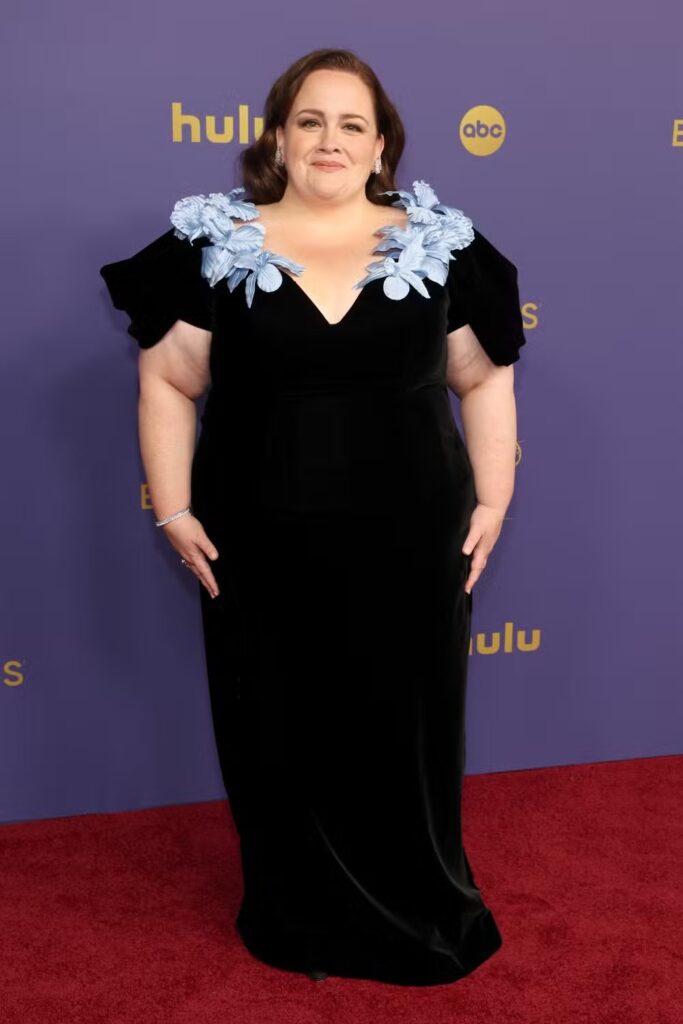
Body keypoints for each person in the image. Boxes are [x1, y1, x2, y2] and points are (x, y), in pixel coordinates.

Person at [99, 47, 526, 987]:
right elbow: (168, 380)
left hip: (412, 540)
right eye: (310, 121)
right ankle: (297, 914)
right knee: (275, 727)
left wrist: (493, 498)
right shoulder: (211, 242)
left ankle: (417, 906)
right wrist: (172, 506)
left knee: (405, 725)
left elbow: (484, 376)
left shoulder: (443, 243)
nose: (329, 140)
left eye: (351, 125)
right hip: (259, 541)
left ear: (381, 148)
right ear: (276, 139)